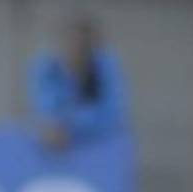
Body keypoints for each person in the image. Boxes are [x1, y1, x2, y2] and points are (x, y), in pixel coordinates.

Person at [28, 14, 128, 151]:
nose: (77, 49)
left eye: (84, 45)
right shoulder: (47, 68)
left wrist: (73, 127)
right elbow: (44, 109)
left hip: (99, 144)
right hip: (57, 143)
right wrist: (54, 126)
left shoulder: (105, 68)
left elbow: (113, 114)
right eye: (71, 42)